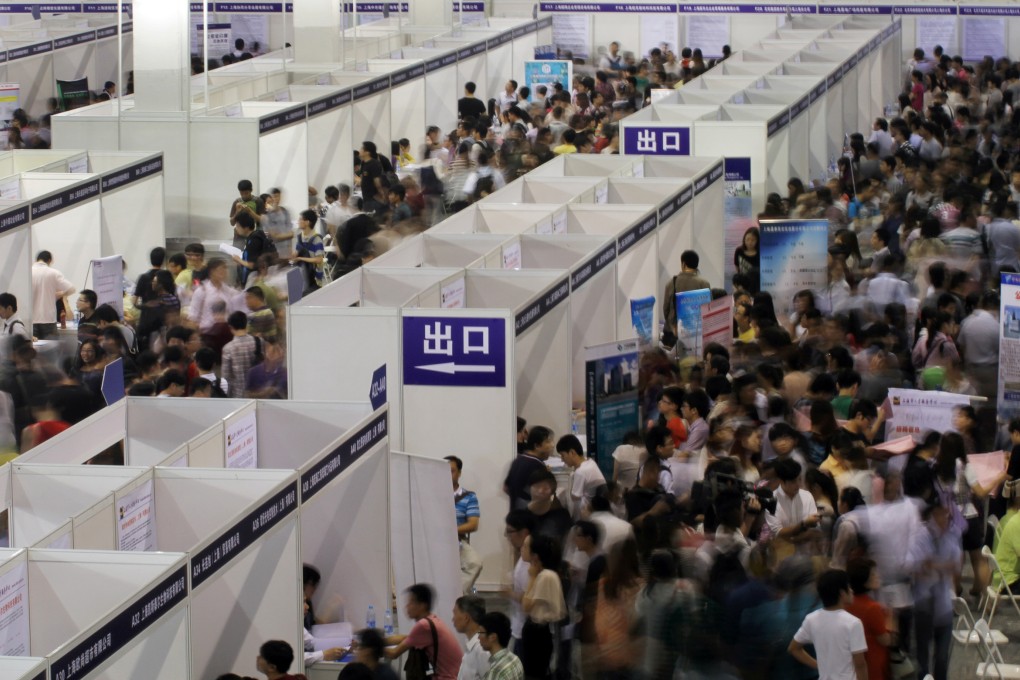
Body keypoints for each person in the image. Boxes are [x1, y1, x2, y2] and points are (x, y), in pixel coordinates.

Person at [788, 569, 869, 680]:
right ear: (842, 593)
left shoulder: (811, 619)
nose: (852, 591)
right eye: (849, 587)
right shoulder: (853, 623)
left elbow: (794, 648)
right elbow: (860, 664)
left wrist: (819, 666)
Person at [384, 584, 463, 680]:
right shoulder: (431, 620)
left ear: (422, 605)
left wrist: (369, 647)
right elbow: (406, 638)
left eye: (411, 602)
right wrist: (378, 640)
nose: (407, 606)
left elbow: (394, 653)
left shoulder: (423, 625)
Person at [520, 534, 566, 680]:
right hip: (536, 631)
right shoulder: (546, 574)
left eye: (526, 547)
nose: (522, 549)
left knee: (534, 673)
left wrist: (532, 577)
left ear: (536, 556)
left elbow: (526, 605)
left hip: (538, 633)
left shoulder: (545, 576)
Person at [844, 558, 892, 680]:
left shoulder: (846, 603)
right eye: (873, 574)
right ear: (864, 580)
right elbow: (885, 640)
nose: (877, 576)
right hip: (872, 662)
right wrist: (891, 619)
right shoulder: (872, 608)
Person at [445, 455, 483, 594]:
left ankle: (456, 595)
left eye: (452, 471)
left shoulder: (469, 497)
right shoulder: (431, 494)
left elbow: (473, 524)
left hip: (457, 540)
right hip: (433, 541)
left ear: (459, 473)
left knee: (475, 563)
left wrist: (450, 531)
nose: (447, 474)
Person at [662, 249, 711, 337]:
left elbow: (666, 309)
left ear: (683, 264)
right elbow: (709, 308)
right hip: (696, 333)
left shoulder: (671, 283)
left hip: (673, 332)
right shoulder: (704, 283)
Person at [556, 434, 606, 518]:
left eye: (563, 455)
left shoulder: (580, 472)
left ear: (572, 452)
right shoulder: (590, 462)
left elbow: (575, 497)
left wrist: (573, 476)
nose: (562, 459)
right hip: (596, 508)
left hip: (587, 513)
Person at [504, 426, 553, 510]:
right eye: (548, 442)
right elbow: (543, 494)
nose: (552, 445)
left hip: (515, 515)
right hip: (529, 516)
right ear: (537, 446)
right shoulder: (536, 465)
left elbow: (506, 487)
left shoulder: (519, 460)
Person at [31, 250, 75, 339]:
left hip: (30, 320)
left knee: (31, 350)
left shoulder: (27, 272)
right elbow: (71, 289)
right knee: (51, 350)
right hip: (48, 319)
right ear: (49, 260)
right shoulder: (53, 273)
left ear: (37, 259)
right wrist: (60, 294)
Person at [479, 612, 524, 680]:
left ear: (493, 637)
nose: (478, 637)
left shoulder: (496, 672)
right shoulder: (516, 659)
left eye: (481, 632)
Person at [453, 595, 488, 680]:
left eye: (455, 613)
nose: (452, 619)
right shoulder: (471, 646)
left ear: (466, 618)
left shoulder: (482, 650)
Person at [229, 179, 264, 248]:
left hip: (254, 235)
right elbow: (232, 223)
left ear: (251, 190)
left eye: (246, 193)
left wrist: (250, 211)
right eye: (242, 193)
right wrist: (237, 212)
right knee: (237, 253)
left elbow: (262, 220)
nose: (244, 196)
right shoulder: (237, 202)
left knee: (252, 255)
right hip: (239, 235)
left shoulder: (258, 201)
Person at [0, 292, 29, 361]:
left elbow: (26, 351)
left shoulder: (17, 326)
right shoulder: (8, 324)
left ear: (9, 308)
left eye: (0, 309)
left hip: (11, 367)